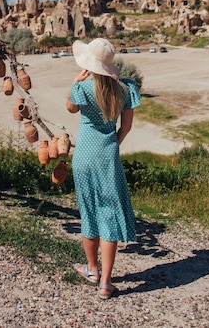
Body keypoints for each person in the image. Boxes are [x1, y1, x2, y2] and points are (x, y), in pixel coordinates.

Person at [66, 37, 141, 300]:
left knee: (88, 210)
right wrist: (112, 145)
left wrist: (75, 81)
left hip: (83, 156)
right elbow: (127, 127)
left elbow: (70, 108)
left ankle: (92, 269)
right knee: (109, 214)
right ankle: (106, 283)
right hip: (108, 156)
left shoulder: (83, 88)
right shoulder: (126, 90)